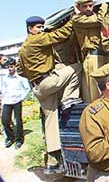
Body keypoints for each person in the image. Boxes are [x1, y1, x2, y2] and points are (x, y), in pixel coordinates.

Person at [18, 16, 82, 174]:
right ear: (30, 29)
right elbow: (60, 35)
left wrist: (34, 75)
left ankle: (53, 162)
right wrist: (73, 19)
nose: (41, 29)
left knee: (51, 119)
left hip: (37, 87)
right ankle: (69, 98)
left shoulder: (23, 47)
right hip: (47, 82)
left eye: (42, 27)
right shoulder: (37, 39)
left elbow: (20, 70)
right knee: (78, 67)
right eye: (38, 27)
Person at [72, 0, 108, 103]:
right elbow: (99, 20)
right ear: (78, 7)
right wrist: (105, 4)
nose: (88, 8)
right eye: (84, 6)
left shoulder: (94, 15)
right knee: (95, 94)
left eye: (90, 5)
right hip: (93, 57)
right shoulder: (77, 19)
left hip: (103, 55)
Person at [1, 58, 30, 149]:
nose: (10, 69)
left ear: (15, 66)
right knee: (5, 120)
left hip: (17, 101)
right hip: (7, 101)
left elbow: (27, 88)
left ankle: (19, 139)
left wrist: (21, 97)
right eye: (8, 67)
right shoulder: (5, 78)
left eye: (11, 66)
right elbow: (3, 89)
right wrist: (3, 98)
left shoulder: (21, 78)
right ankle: (10, 137)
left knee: (18, 120)